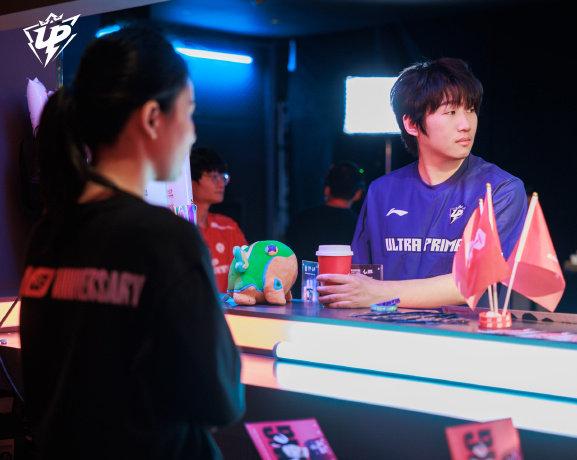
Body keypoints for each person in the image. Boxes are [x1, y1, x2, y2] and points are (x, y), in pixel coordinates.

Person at [19, 28, 244, 459]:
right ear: (153, 118)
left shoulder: (48, 234)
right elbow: (220, 399)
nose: (192, 134)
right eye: (189, 113)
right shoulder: (166, 238)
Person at [317, 58, 527, 308]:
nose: (466, 124)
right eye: (450, 112)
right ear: (412, 124)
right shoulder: (382, 191)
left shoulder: (501, 190)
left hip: (465, 331)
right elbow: (361, 277)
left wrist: (379, 293)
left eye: (470, 110)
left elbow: (472, 282)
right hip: (386, 329)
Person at [191, 146, 248, 292]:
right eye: (214, 177)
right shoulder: (177, 229)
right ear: (190, 181)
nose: (221, 183)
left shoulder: (228, 227)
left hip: (228, 307)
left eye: (223, 177)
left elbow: (249, 272)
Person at [285, 161, 364, 266]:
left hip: (303, 276)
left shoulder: (301, 220)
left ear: (326, 190)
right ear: (358, 194)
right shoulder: (361, 227)